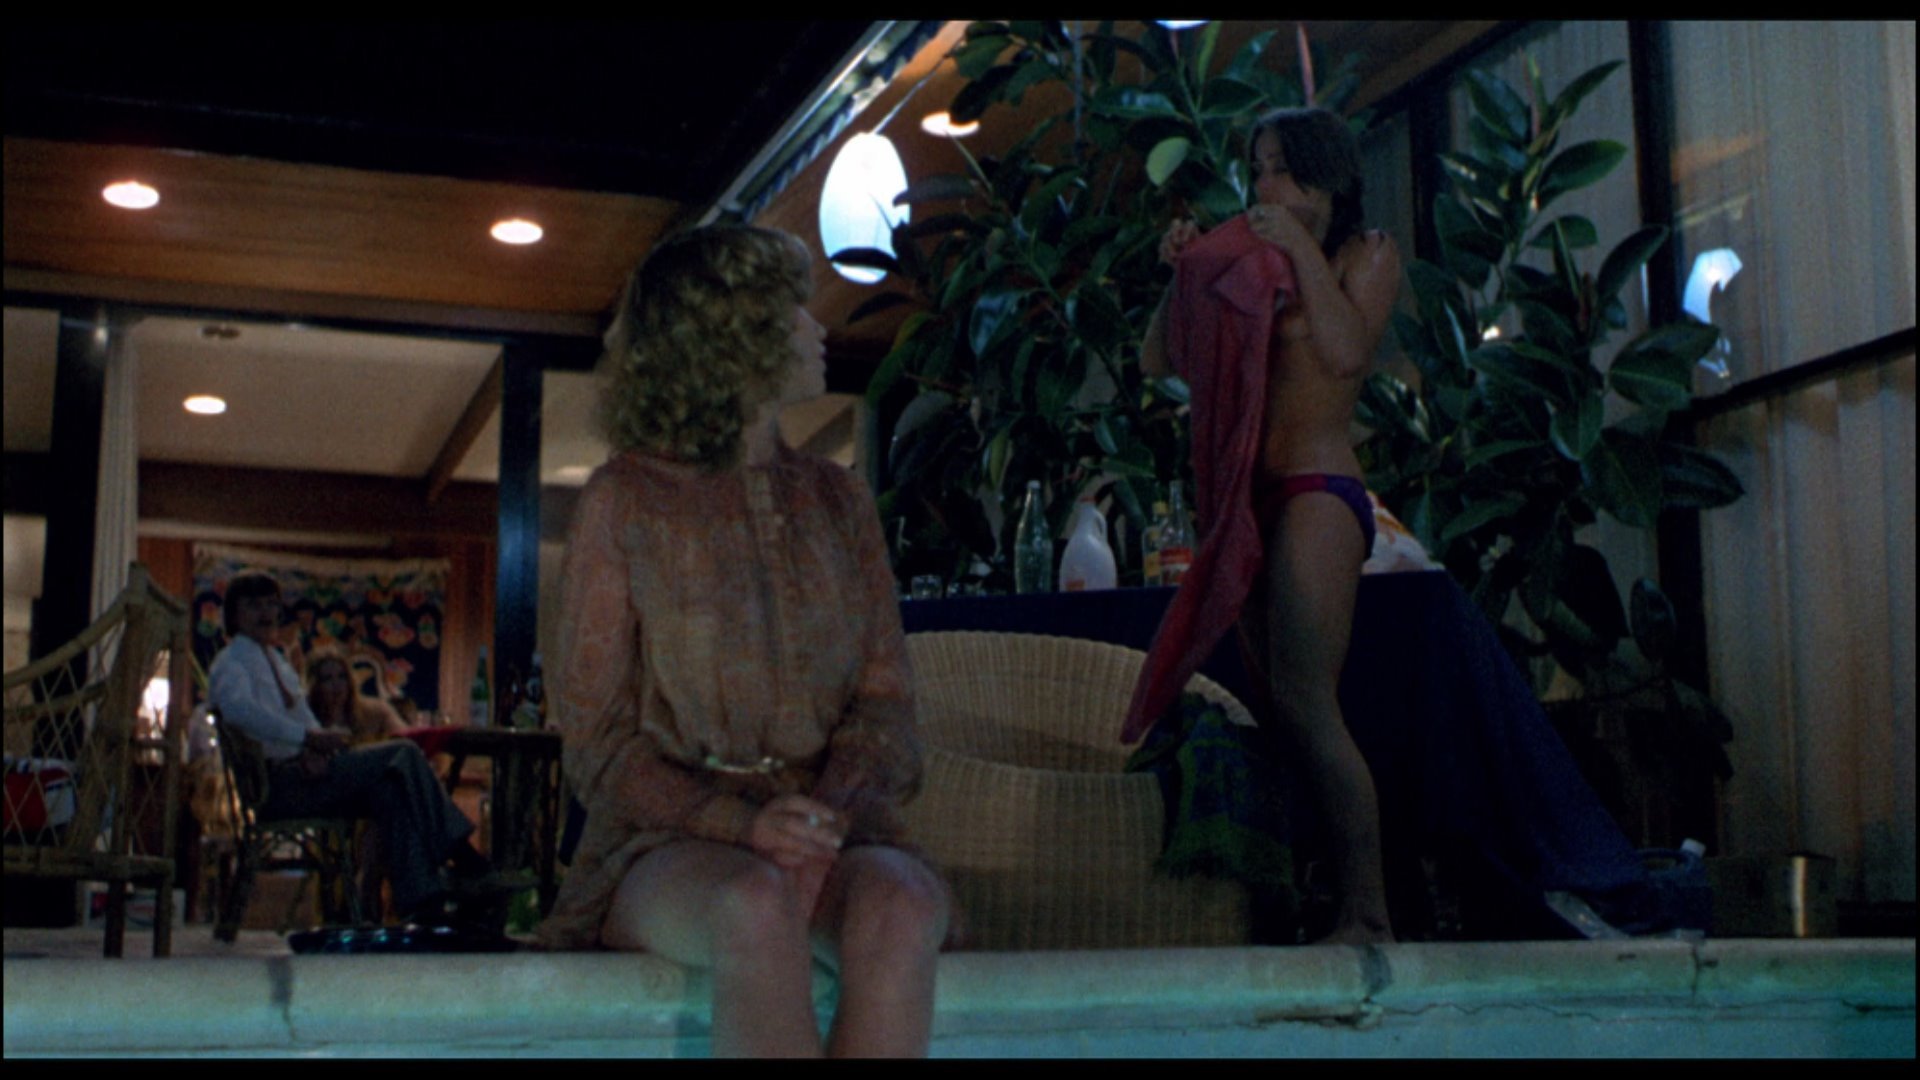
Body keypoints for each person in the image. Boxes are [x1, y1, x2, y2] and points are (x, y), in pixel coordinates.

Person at [535, 224, 949, 1058]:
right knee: (754, 907)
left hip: (834, 826)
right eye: (793, 310)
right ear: (733, 336)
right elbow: (597, 744)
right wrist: (740, 825)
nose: (816, 328)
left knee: (901, 907)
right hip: (668, 844)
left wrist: (822, 817)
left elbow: (887, 702)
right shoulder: (625, 501)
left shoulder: (838, 500)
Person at [1127, 107, 1402, 944]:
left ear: (1326, 175)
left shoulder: (1366, 254)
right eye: (1258, 170)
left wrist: (1300, 246)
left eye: (1281, 167)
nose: (1264, 185)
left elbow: (1347, 351)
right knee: (1277, 712)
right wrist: (1183, 273)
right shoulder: (1254, 263)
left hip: (1319, 487)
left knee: (1309, 703)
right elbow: (1159, 360)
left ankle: (1369, 913)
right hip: (1251, 497)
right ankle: (1307, 896)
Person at [206, 570, 511, 929]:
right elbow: (239, 711)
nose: (265, 613)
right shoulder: (232, 662)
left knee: (391, 789)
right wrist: (305, 740)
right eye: (254, 605)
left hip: (304, 771)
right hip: (277, 786)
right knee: (403, 752)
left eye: (271, 605)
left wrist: (319, 745)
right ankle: (465, 857)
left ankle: (422, 902)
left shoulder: (274, 660)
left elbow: (304, 719)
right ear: (234, 612)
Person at [306, 647, 409, 747]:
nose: (337, 684)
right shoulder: (306, 715)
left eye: (342, 676)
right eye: (327, 679)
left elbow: (406, 739)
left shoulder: (376, 712)